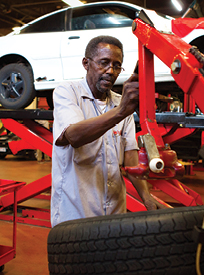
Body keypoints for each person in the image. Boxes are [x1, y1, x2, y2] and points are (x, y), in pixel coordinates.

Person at [51, 35, 165, 227]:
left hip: (114, 211)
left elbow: (130, 158)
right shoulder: (67, 92)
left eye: (117, 65)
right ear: (86, 63)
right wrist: (121, 111)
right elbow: (73, 135)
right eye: (104, 63)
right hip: (75, 212)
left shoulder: (122, 103)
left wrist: (147, 198)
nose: (110, 71)